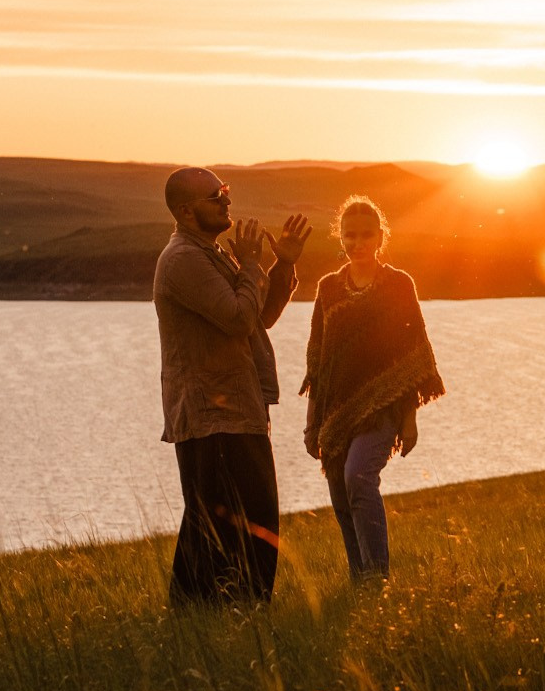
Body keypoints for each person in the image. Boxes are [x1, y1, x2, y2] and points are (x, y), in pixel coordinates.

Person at [154, 166, 310, 605]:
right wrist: (254, 263)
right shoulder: (184, 259)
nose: (226, 200)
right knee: (224, 525)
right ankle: (211, 616)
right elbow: (240, 318)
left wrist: (284, 264)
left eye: (226, 191)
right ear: (186, 211)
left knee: (247, 522)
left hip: (236, 409)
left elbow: (256, 322)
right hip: (212, 415)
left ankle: (227, 616)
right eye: (214, 195)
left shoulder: (212, 253)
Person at [301, 196, 445, 581]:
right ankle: (359, 579)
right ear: (340, 237)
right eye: (349, 235)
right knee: (338, 490)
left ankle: (377, 578)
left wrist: (409, 420)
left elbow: (412, 357)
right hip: (334, 412)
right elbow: (318, 361)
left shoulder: (399, 285)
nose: (357, 242)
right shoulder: (328, 288)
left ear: (381, 237)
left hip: (383, 409)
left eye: (366, 235)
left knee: (358, 478)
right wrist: (312, 422)